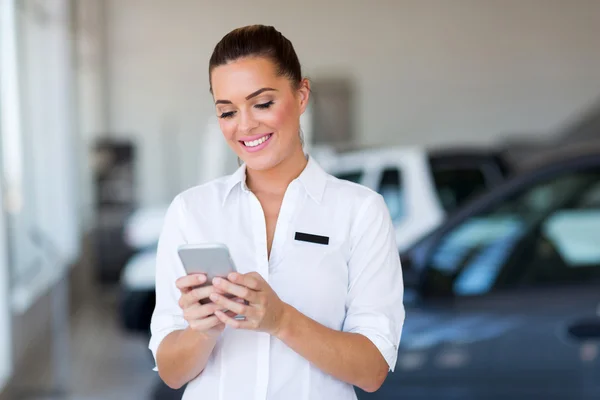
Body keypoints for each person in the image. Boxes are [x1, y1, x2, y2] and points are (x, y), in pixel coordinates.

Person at [149, 24, 405, 400]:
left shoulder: (360, 211)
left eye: (263, 103)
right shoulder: (191, 211)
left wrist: (281, 319)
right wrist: (203, 330)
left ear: (301, 95)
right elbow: (172, 374)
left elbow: (372, 371)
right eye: (227, 112)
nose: (246, 125)